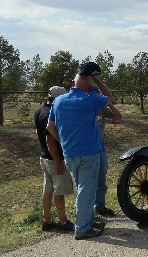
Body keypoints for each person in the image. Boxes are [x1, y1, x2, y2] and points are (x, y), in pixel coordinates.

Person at [46, 62, 120, 240]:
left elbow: (50, 126)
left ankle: (88, 221)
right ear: (88, 84)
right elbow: (109, 97)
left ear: (73, 83)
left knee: (83, 189)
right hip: (89, 153)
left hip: (69, 153)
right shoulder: (89, 99)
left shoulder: (58, 101)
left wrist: (62, 141)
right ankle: (82, 228)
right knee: (86, 191)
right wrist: (97, 80)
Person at [34, 86, 74, 232]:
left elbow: (37, 132)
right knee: (59, 190)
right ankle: (63, 221)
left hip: (44, 156)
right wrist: (58, 161)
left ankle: (47, 220)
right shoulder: (52, 113)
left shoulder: (39, 111)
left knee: (47, 189)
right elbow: (50, 139)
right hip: (54, 157)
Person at [94, 88, 122, 218]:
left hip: (100, 148)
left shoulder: (101, 110)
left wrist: (109, 104)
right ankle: (87, 211)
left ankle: (100, 206)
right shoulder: (82, 109)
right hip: (86, 149)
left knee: (101, 179)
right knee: (88, 181)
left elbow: (117, 117)